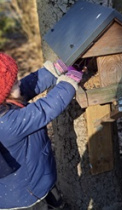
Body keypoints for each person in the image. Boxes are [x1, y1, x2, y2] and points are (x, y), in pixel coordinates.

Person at [0, 53, 83, 209]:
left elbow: (28, 85)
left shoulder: (5, 102)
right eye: (14, 83)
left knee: (55, 201)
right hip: (25, 197)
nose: (19, 81)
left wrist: (54, 71)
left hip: (38, 180)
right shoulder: (7, 123)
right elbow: (44, 110)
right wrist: (68, 83)